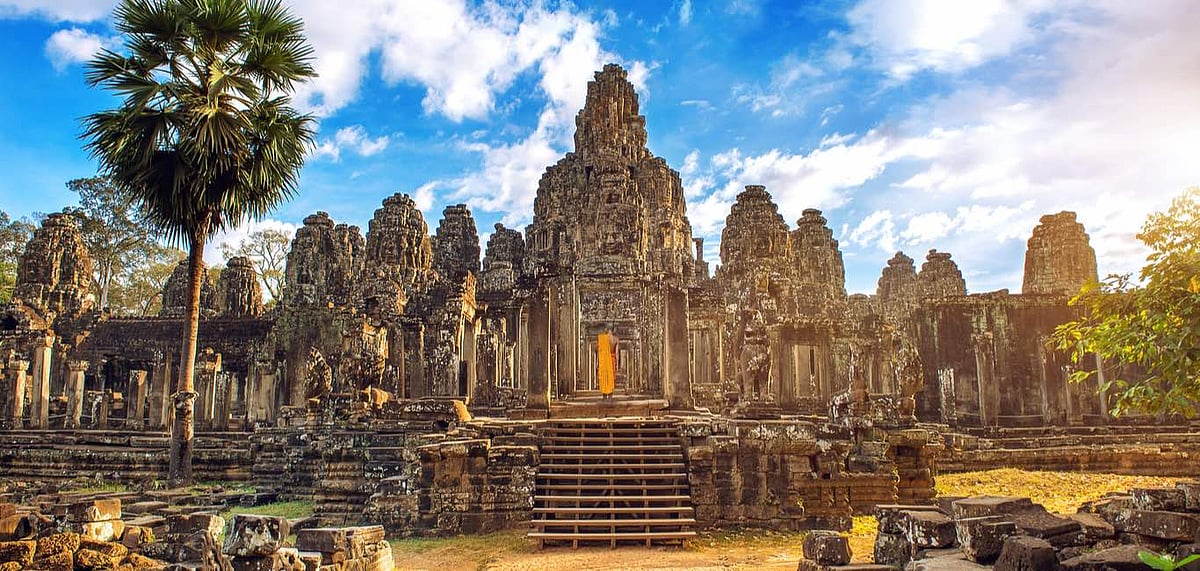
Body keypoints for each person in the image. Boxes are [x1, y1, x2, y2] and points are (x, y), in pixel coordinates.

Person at [597, 329, 619, 400]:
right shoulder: (616, 339)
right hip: (612, 359)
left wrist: (598, 361)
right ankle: (610, 395)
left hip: (604, 361)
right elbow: (616, 353)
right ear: (613, 330)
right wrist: (617, 363)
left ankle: (604, 395)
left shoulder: (602, 338)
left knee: (604, 375)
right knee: (611, 376)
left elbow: (599, 351)